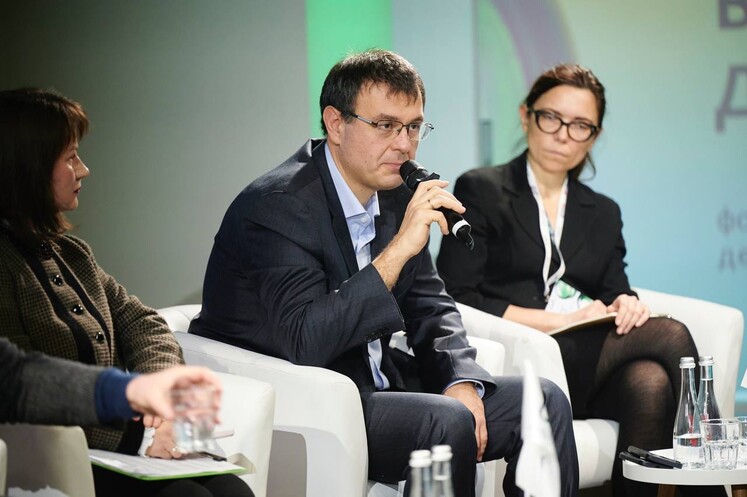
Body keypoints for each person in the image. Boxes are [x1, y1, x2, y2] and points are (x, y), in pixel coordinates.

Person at [189, 49, 579, 497]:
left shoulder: (393, 191)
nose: (404, 144)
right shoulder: (277, 207)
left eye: (413, 127)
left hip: (376, 384)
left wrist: (460, 380)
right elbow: (305, 340)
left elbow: (431, 306)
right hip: (308, 398)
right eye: (385, 125)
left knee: (543, 401)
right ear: (336, 124)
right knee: (446, 421)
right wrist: (397, 252)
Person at [436, 63, 702, 497]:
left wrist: (627, 303)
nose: (563, 135)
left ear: (594, 136)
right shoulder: (480, 190)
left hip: (585, 367)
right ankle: (712, 475)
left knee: (649, 381)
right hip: (518, 358)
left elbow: (614, 288)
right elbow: (457, 295)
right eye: (551, 118)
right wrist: (557, 322)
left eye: (580, 126)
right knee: (671, 335)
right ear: (526, 116)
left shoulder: (603, 212)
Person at [0, 88, 251, 497]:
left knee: (233, 489)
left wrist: (164, 398)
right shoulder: (5, 266)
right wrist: (142, 432)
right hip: (63, 457)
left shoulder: (71, 253)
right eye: (70, 157)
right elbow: (27, 389)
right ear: (29, 168)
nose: (84, 170)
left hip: (126, 444)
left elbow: (143, 322)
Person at [0, 337, 222, 426]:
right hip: (63, 446)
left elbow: (143, 323)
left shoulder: (76, 258)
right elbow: (13, 378)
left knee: (229, 486)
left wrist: (158, 378)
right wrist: (129, 390)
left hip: (130, 436)